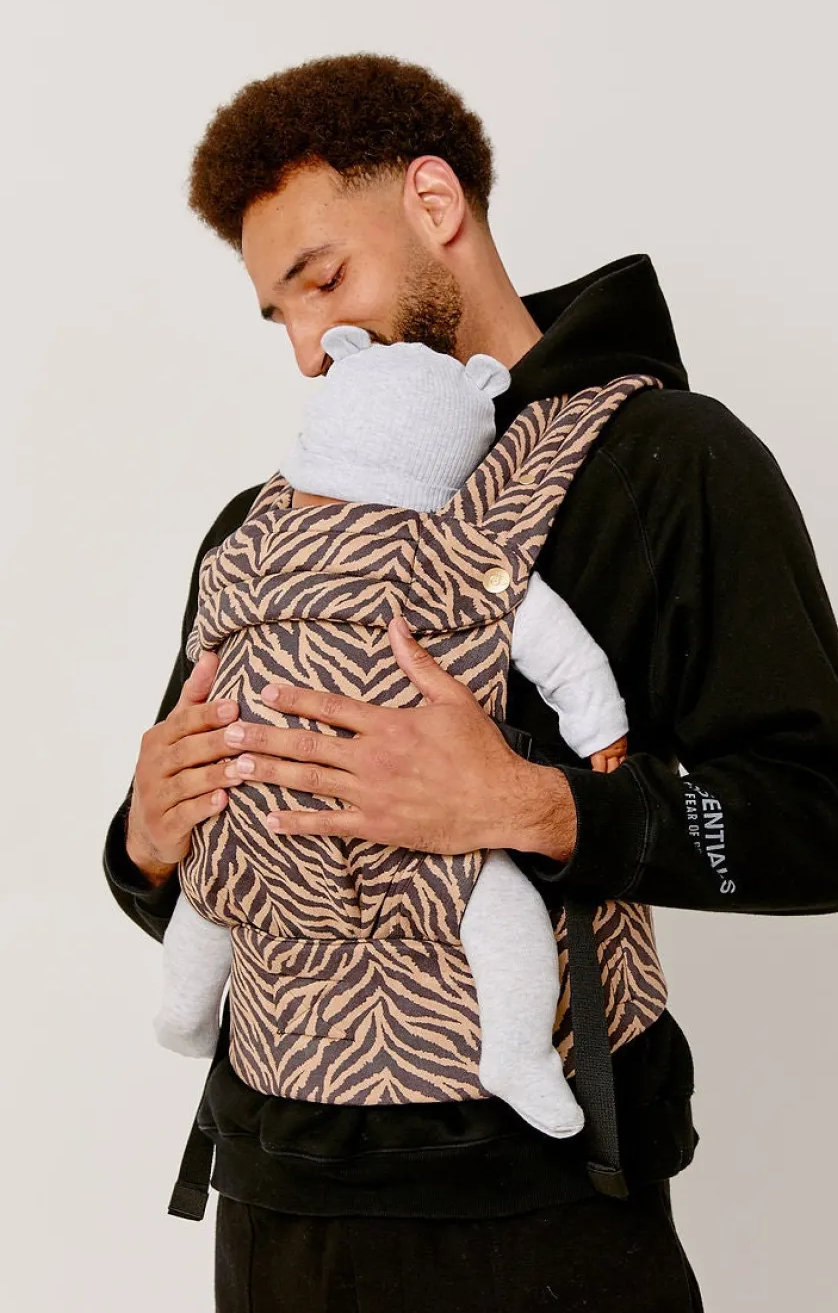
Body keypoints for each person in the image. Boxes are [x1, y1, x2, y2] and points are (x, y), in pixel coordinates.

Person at [103, 52, 838, 1313]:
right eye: (278, 315)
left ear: (435, 202)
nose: (309, 348)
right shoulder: (261, 527)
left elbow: (821, 822)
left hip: (535, 1226)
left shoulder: (664, 463)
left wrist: (538, 806)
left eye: (321, 278)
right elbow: (193, 872)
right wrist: (143, 838)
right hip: (278, 1223)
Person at [154, 323, 632, 1141]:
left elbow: (206, 651)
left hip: (250, 819)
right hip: (404, 846)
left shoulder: (246, 544)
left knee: (211, 897)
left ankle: (184, 1009)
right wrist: (601, 728)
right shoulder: (451, 550)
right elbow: (552, 641)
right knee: (502, 906)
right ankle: (516, 1050)